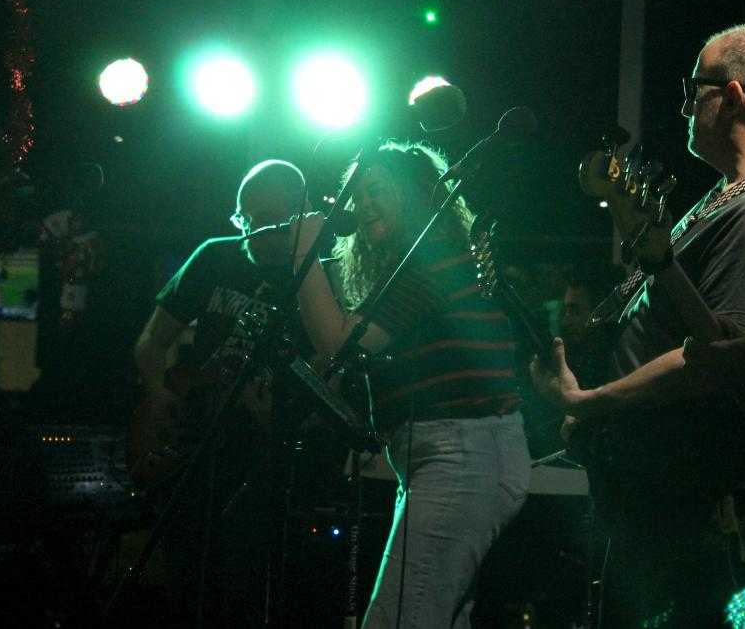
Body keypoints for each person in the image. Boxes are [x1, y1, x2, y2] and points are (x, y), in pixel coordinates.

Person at [531, 24, 745, 627]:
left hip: (703, 521)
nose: (686, 104)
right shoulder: (734, 195)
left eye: (695, 88)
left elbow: (710, 361)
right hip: (672, 505)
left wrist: (591, 402)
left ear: (735, 95)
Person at [289, 141, 531, 628]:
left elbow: (340, 343)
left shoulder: (429, 262)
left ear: (416, 195)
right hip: (454, 457)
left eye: (375, 191)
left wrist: (303, 251)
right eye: (356, 197)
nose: (362, 207)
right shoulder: (425, 263)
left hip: (460, 457)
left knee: (398, 621)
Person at [132, 159, 312, 627]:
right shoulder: (215, 255)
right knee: (185, 569)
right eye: (246, 221)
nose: (253, 233)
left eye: (267, 223)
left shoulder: (318, 278)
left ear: (298, 218)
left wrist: (274, 412)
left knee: (244, 578)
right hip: (194, 443)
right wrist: (158, 393)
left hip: (258, 455)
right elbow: (152, 341)